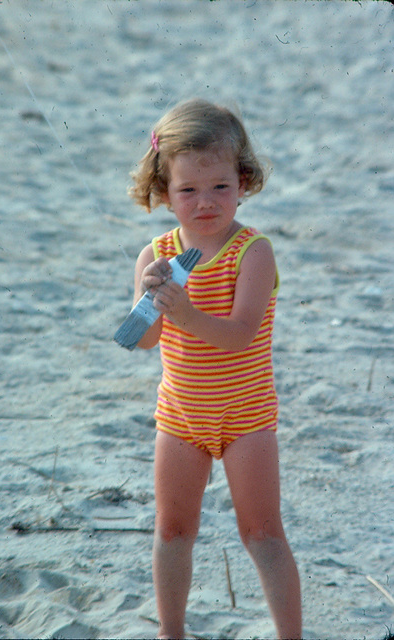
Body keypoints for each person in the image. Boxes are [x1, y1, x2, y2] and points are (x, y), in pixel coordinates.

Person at [126, 98, 302, 640]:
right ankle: (171, 632)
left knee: (263, 532)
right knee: (173, 530)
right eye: (188, 191)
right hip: (179, 416)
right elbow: (143, 340)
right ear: (164, 192)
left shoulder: (252, 252)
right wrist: (151, 299)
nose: (205, 203)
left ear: (243, 181)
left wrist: (187, 310)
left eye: (220, 187)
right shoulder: (156, 253)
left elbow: (240, 334)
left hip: (246, 416)